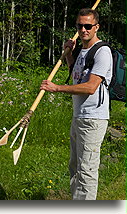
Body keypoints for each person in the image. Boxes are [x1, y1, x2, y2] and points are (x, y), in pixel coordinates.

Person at [40, 8, 112, 200]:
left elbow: (90, 87)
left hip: (93, 119)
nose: (83, 29)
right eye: (80, 25)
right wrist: (70, 53)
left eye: (88, 26)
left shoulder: (103, 52)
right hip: (79, 115)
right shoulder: (82, 50)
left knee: (87, 170)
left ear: (96, 27)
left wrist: (56, 88)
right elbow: (77, 76)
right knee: (75, 166)